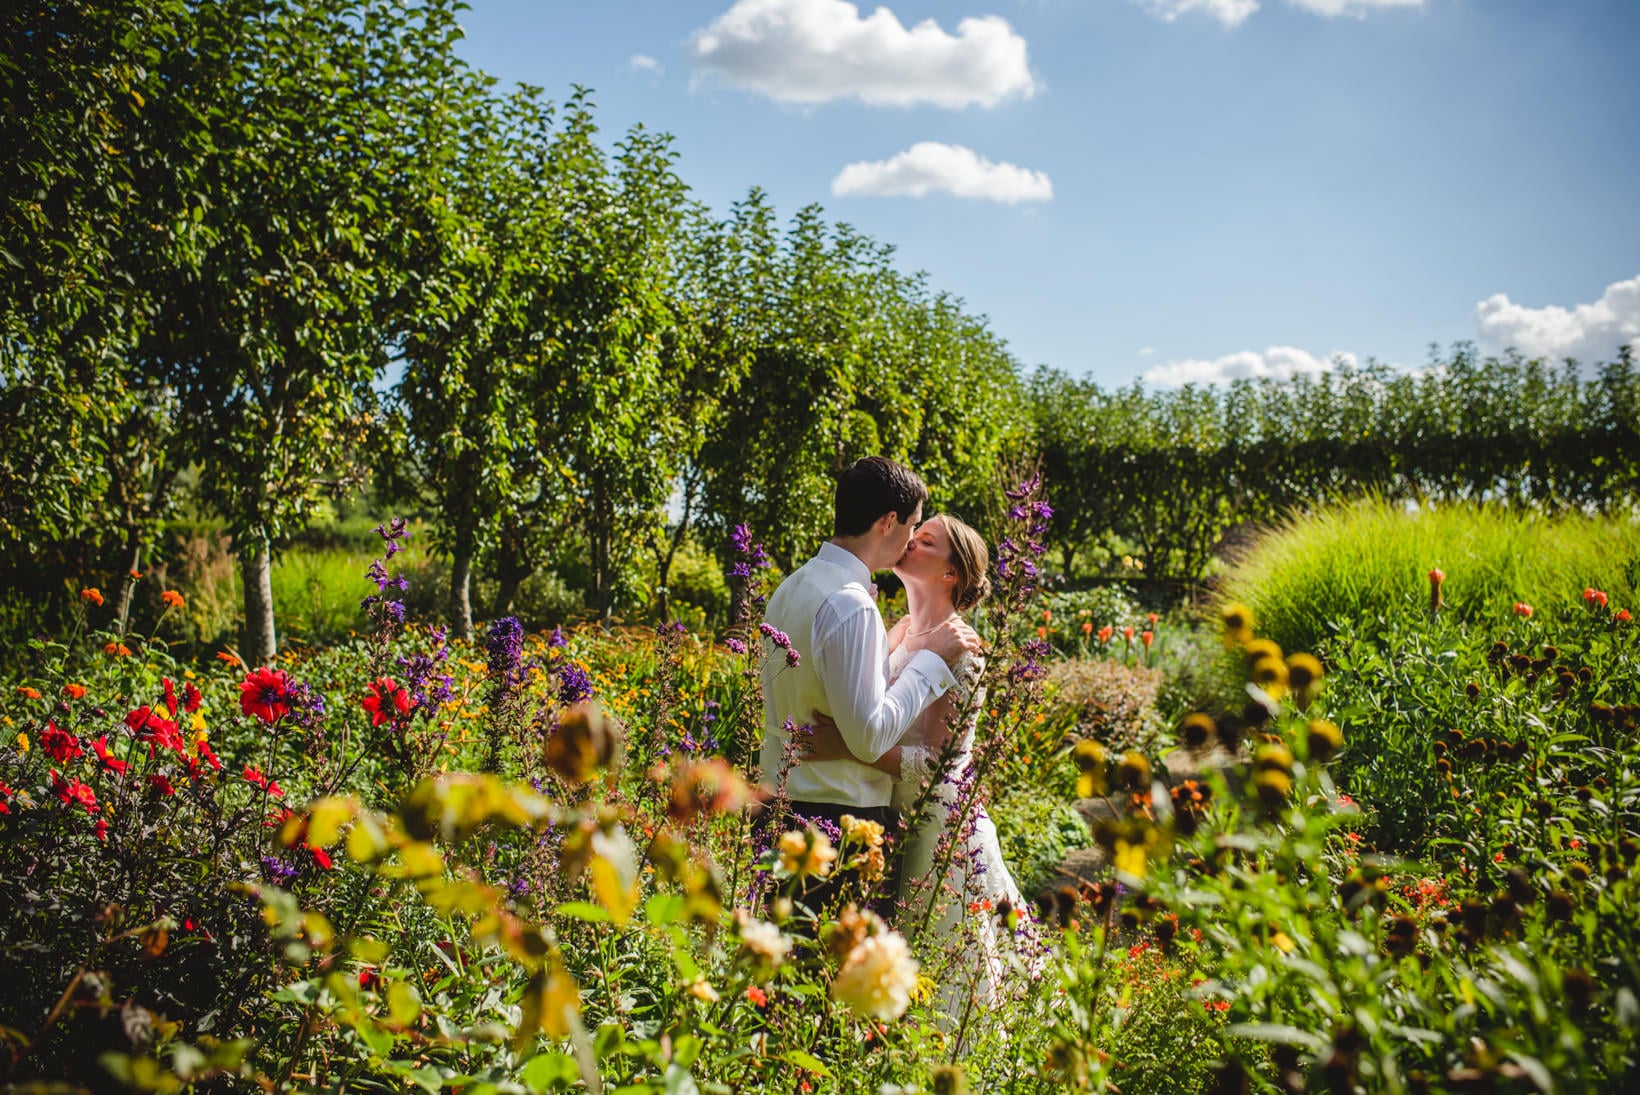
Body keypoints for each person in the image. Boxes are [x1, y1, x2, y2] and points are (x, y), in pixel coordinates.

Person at [801, 514, 1037, 1022]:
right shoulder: (901, 629)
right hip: (889, 812)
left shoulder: (964, 652)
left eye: (925, 541)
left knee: (939, 957)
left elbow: (933, 765)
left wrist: (844, 747)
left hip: (937, 825)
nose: (910, 541)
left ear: (951, 573)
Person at [757, 457, 981, 917]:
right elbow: (870, 734)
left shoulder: (791, 587)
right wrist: (931, 661)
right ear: (887, 522)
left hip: (782, 804)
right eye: (913, 526)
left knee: (781, 976)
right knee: (826, 979)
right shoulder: (852, 605)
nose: (911, 540)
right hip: (837, 820)